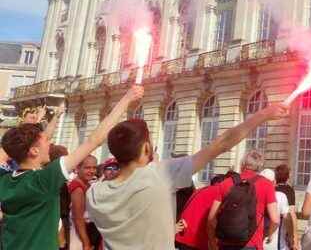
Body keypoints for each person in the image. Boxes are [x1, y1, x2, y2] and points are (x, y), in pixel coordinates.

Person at [86, 101, 288, 250]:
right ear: (147, 148)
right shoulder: (160, 175)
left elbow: (93, 140)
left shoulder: (94, 193)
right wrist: (264, 115)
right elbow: (222, 143)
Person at [0, 85, 144, 250]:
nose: (49, 142)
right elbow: (93, 140)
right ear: (33, 151)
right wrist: (126, 99)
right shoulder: (43, 180)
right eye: (45, 140)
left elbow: (7, 150)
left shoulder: (5, 180)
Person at [206, 150, 278, 250]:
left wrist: (218, 237)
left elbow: (211, 218)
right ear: (260, 166)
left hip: (226, 243)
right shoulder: (267, 185)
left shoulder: (226, 182)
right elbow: (275, 220)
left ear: (242, 164)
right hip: (252, 243)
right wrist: (267, 234)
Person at [175, 173, 230, 250]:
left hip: (184, 235)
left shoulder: (201, 190)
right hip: (197, 240)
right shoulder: (219, 192)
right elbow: (213, 221)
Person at [68, 155, 101, 250]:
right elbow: (78, 218)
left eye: (94, 168)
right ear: (78, 168)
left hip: (84, 231)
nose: (92, 171)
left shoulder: (87, 184)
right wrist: (86, 243)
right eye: (87, 168)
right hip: (77, 234)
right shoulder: (77, 187)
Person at [261, 168, 290, 250]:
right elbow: (286, 218)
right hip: (274, 242)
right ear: (274, 182)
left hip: (255, 242)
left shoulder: (253, 194)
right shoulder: (280, 196)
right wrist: (291, 237)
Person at [275, 164, 300, 250]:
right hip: (282, 227)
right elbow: (291, 214)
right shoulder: (289, 190)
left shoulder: (272, 188)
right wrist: (295, 237)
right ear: (287, 176)